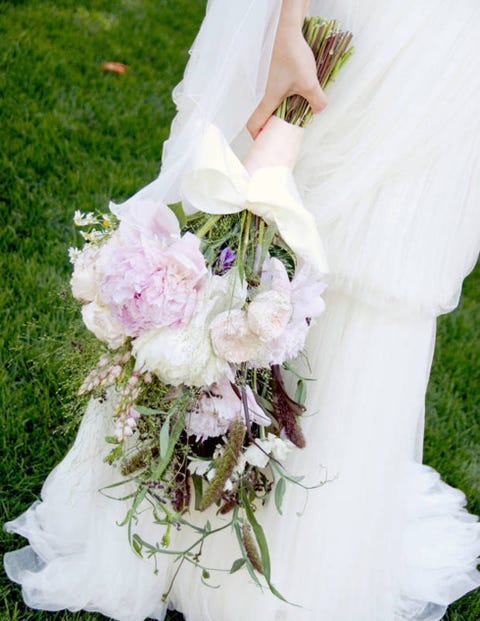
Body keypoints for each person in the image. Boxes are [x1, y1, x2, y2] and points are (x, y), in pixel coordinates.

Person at [4, 1, 480, 620]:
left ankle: (307, 548)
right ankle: (222, 515)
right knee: (278, 201)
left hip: (437, 37)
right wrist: (287, 28)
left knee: (374, 243)